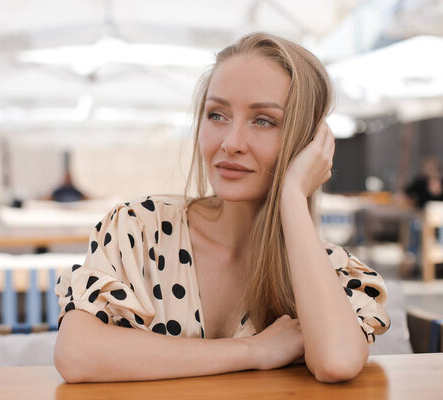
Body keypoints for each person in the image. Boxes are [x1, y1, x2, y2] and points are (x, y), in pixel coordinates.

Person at [53, 32, 390, 383]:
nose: (230, 143)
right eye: (217, 115)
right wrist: (256, 350)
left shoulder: (328, 270)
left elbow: (336, 361)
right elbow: (75, 355)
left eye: (264, 120)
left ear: (309, 144)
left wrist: (291, 195)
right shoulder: (138, 230)